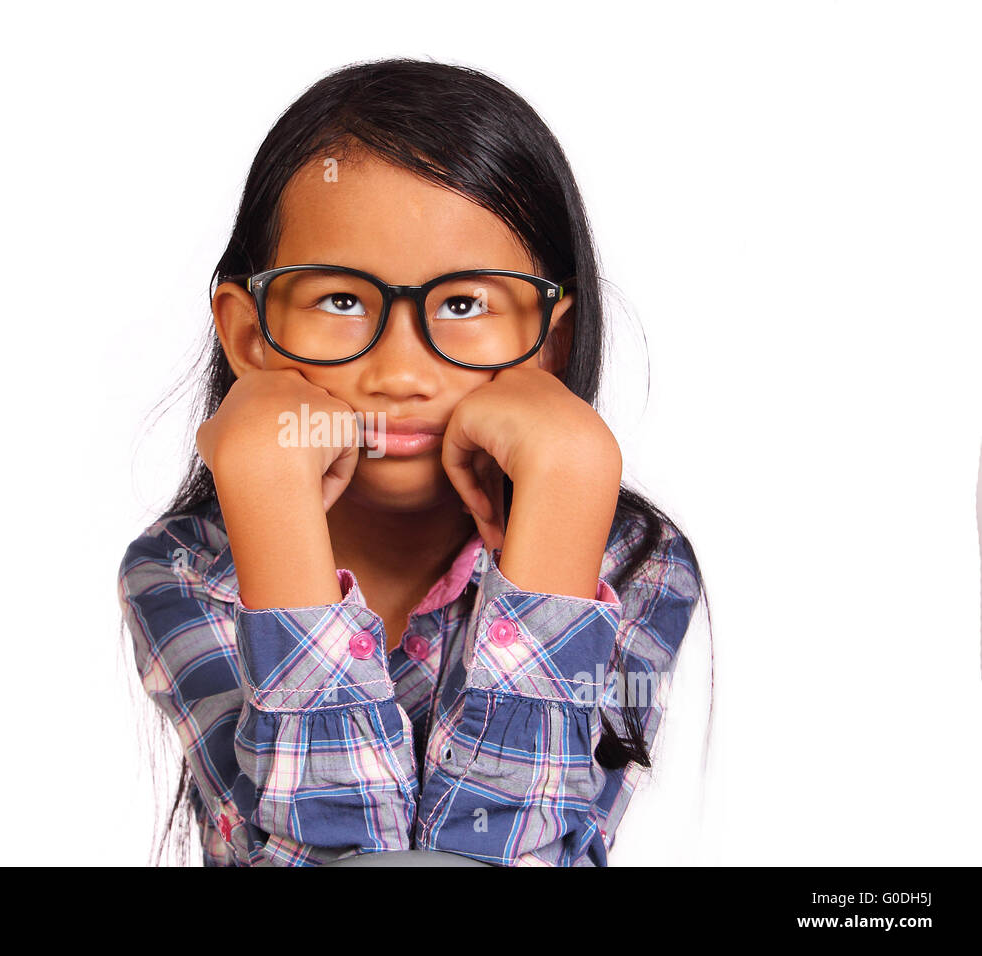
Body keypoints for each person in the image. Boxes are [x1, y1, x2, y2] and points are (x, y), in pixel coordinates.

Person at [118, 57, 711, 867]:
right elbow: (331, 857)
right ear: (250, 335)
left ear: (552, 340)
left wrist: (566, 489)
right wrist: (269, 497)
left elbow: (507, 855)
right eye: (341, 300)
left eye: (464, 305)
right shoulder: (184, 571)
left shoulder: (634, 563)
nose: (399, 372)